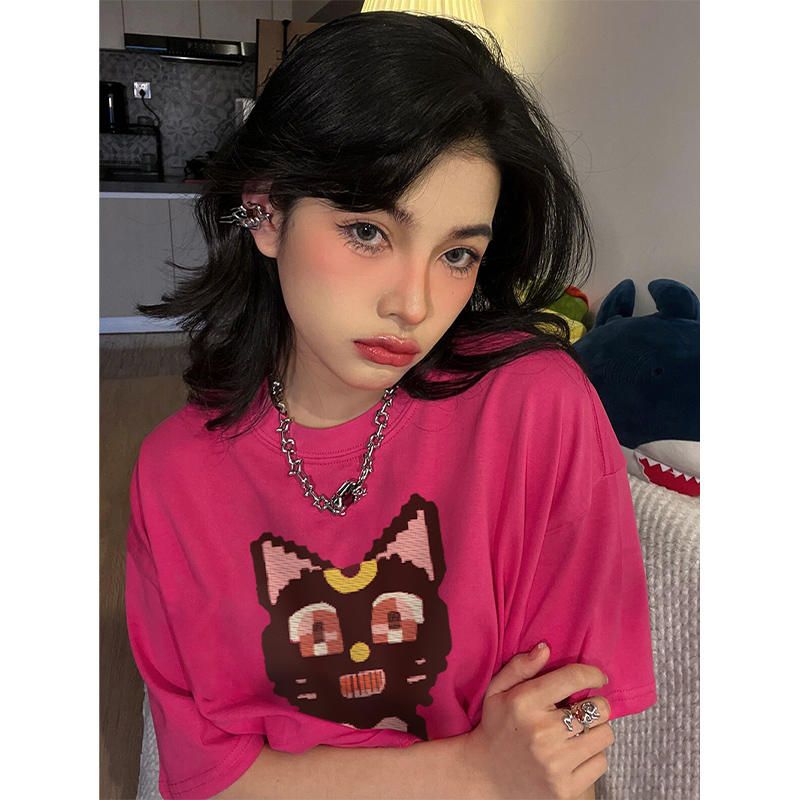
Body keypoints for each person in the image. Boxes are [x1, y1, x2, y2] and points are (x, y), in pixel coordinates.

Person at [125, 10, 657, 800]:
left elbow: (577, 726)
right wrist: (474, 769)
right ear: (266, 212)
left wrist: (562, 740)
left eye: (457, 254)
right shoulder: (176, 474)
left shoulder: (535, 411)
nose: (414, 304)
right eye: (368, 232)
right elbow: (208, 776)